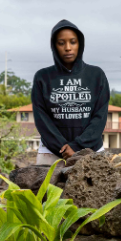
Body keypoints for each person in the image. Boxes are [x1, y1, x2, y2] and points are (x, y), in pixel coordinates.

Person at [32, 19, 110, 165]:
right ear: (54, 46)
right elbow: (41, 118)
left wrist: (77, 146)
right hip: (51, 153)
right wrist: (63, 147)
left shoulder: (96, 75)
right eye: (61, 43)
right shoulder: (43, 77)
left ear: (79, 44)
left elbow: (100, 116)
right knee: (46, 189)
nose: (68, 47)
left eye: (72, 42)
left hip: (91, 151)